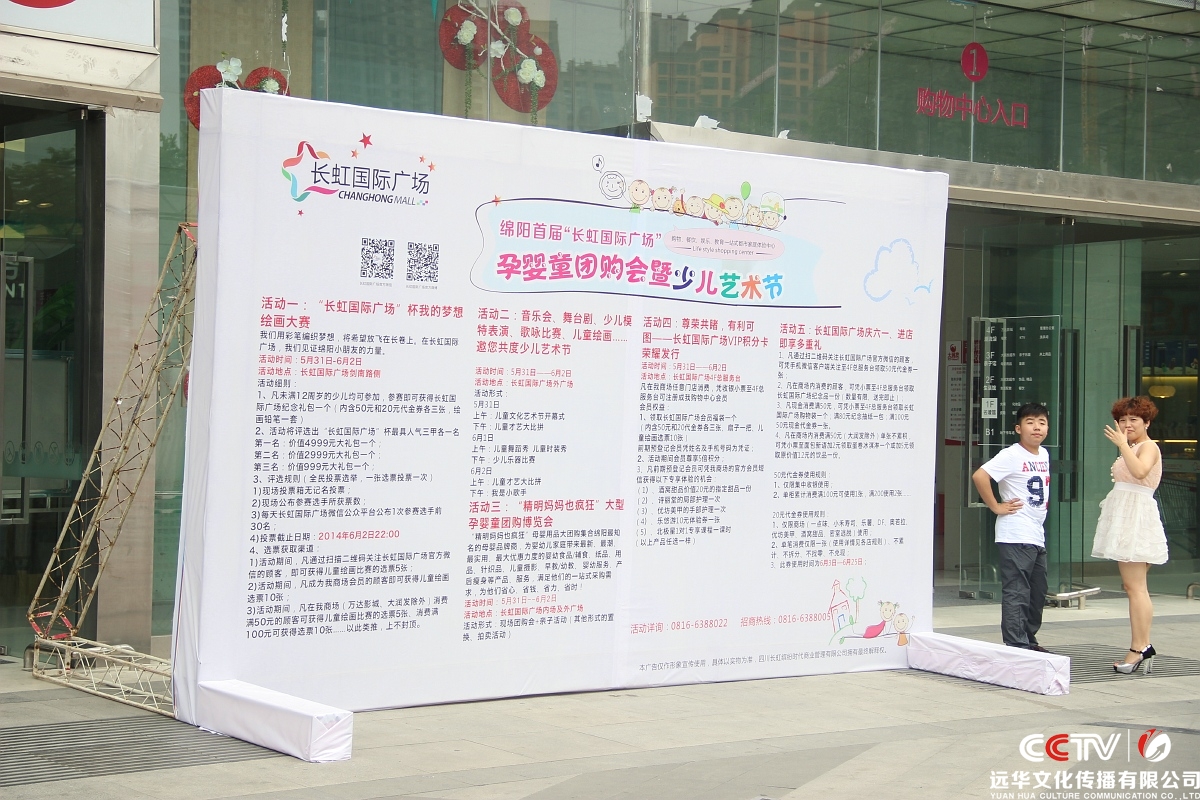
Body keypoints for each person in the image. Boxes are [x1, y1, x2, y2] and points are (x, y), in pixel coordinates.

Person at [1092, 396, 1168, 674]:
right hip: (1127, 517)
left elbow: (1140, 472)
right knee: (1133, 586)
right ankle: (1141, 646)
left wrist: (1123, 445)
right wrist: (1125, 446)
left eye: (1133, 419)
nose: (1127, 425)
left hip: (1136, 518)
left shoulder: (1148, 447)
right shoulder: (1133, 446)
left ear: (1146, 422)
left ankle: (1139, 648)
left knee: (1136, 587)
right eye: (1122, 420)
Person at [972, 403, 1052, 652]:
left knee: (1037, 592)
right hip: (1015, 532)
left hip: (1036, 534)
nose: (1036, 427)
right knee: (1017, 591)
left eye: (1042, 422)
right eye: (1030, 422)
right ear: (1018, 428)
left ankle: (1028, 640)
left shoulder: (1044, 454)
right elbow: (980, 476)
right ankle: (1017, 645)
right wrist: (996, 506)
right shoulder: (1011, 454)